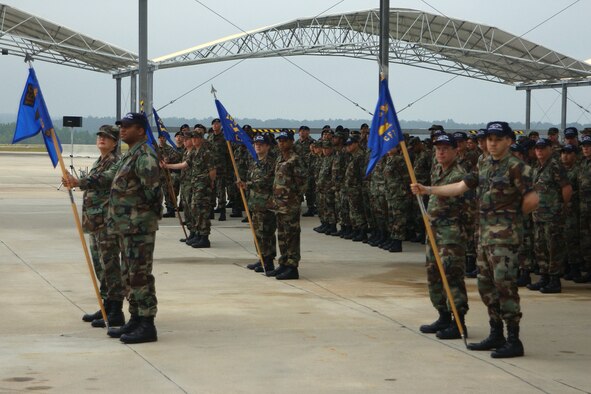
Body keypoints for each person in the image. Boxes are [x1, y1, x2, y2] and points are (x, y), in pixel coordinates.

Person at [411, 121, 539, 358]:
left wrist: (510, 217)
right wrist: (428, 190)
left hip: (504, 240)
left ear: (509, 141)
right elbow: (461, 186)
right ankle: (496, 333)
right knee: (486, 287)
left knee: (505, 287)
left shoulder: (516, 167)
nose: (492, 143)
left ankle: (513, 339)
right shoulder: (484, 163)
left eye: (498, 139)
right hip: (484, 237)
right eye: (490, 138)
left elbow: (532, 199)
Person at [64, 112, 163, 344]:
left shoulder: (145, 154)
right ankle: (135, 319)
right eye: (121, 126)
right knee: (130, 275)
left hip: (138, 227)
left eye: (127, 126)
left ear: (140, 130)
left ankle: (147, 324)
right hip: (127, 227)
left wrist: (141, 218)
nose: (122, 130)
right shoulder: (132, 155)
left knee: (140, 276)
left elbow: (153, 193)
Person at [418, 133, 469, 340]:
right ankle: (444, 315)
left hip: (450, 234)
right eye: (438, 148)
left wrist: (427, 190)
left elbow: (455, 193)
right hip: (435, 231)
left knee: (451, 276)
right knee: (434, 275)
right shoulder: (438, 169)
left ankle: (459, 322)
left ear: (456, 150)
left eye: (445, 148)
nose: (440, 152)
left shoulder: (459, 173)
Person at [81, 125, 125, 328]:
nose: (101, 139)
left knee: (110, 266)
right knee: (100, 266)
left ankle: (115, 310)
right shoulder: (101, 160)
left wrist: (79, 181)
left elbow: (105, 179)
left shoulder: (116, 161)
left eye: (106, 137)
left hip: (107, 222)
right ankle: (106, 305)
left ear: (115, 142)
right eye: (99, 136)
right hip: (95, 222)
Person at [526, 138, 571, 293]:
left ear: (549, 149)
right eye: (537, 148)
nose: (539, 151)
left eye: (542, 148)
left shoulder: (555, 165)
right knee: (540, 247)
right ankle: (544, 277)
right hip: (538, 215)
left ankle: (554, 280)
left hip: (552, 215)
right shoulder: (537, 167)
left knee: (554, 247)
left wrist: (562, 207)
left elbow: (566, 188)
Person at [164, 127, 216, 248]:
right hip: (195, 186)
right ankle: (197, 234)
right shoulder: (194, 153)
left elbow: (212, 171)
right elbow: (184, 165)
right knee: (195, 210)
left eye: (195, 138)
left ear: (200, 139)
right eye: (192, 138)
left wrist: (208, 183)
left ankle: (204, 237)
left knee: (202, 211)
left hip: (203, 187)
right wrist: (167, 166)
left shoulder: (206, 153)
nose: (193, 140)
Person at [266, 129, 306, 280]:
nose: (281, 143)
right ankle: (283, 263)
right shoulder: (280, 158)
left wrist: (294, 198)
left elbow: (302, 182)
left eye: (284, 140)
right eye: (279, 140)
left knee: (292, 236)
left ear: (291, 141)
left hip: (290, 204)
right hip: (279, 205)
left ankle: (292, 267)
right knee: (282, 235)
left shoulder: (295, 159)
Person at [242, 134, 277, 273]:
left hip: (266, 204)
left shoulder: (271, 163)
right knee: (257, 234)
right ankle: (261, 258)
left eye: (261, 144)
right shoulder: (255, 161)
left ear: (268, 146)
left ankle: (268, 261)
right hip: (255, 204)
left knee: (266, 234)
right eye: (256, 143)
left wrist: (247, 184)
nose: (258, 145)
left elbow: (267, 181)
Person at [560, 144, 583, 281]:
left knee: (573, 239)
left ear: (575, 155)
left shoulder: (578, 170)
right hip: (563, 210)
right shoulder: (560, 170)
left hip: (575, 210)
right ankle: (567, 266)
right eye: (563, 152)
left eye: (568, 153)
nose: (565, 155)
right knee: (564, 238)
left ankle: (576, 268)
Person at [344, 135, 367, 241]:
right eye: (347, 145)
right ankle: (356, 230)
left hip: (357, 188)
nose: (348, 147)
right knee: (353, 211)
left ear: (356, 144)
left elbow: (362, 174)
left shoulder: (360, 156)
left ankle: (362, 232)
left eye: (350, 144)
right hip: (351, 188)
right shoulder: (352, 156)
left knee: (358, 211)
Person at [575, 135, 591, 283]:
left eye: (588, 145)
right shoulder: (582, 163)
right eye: (584, 146)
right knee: (585, 240)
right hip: (583, 208)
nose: (585, 148)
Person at [208, 118, 230, 221]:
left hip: (221, 168)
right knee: (211, 190)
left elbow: (229, 154)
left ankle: (222, 212)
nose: (215, 126)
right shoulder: (209, 137)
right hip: (211, 168)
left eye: (217, 124)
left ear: (220, 126)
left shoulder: (225, 138)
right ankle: (211, 211)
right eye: (214, 124)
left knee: (221, 190)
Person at [158, 133, 182, 217]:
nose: (162, 139)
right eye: (160, 138)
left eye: (163, 138)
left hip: (166, 175)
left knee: (168, 193)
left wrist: (169, 159)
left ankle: (170, 209)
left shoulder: (170, 149)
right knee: (156, 193)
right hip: (156, 174)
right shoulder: (154, 149)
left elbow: (177, 158)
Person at [295, 125, 316, 217]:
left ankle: (311, 208)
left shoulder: (312, 143)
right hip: (299, 170)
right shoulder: (296, 144)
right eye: (302, 131)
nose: (303, 133)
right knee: (298, 189)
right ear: (299, 132)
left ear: (309, 132)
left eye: (305, 131)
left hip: (309, 169)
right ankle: (297, 207)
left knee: (309, 190)